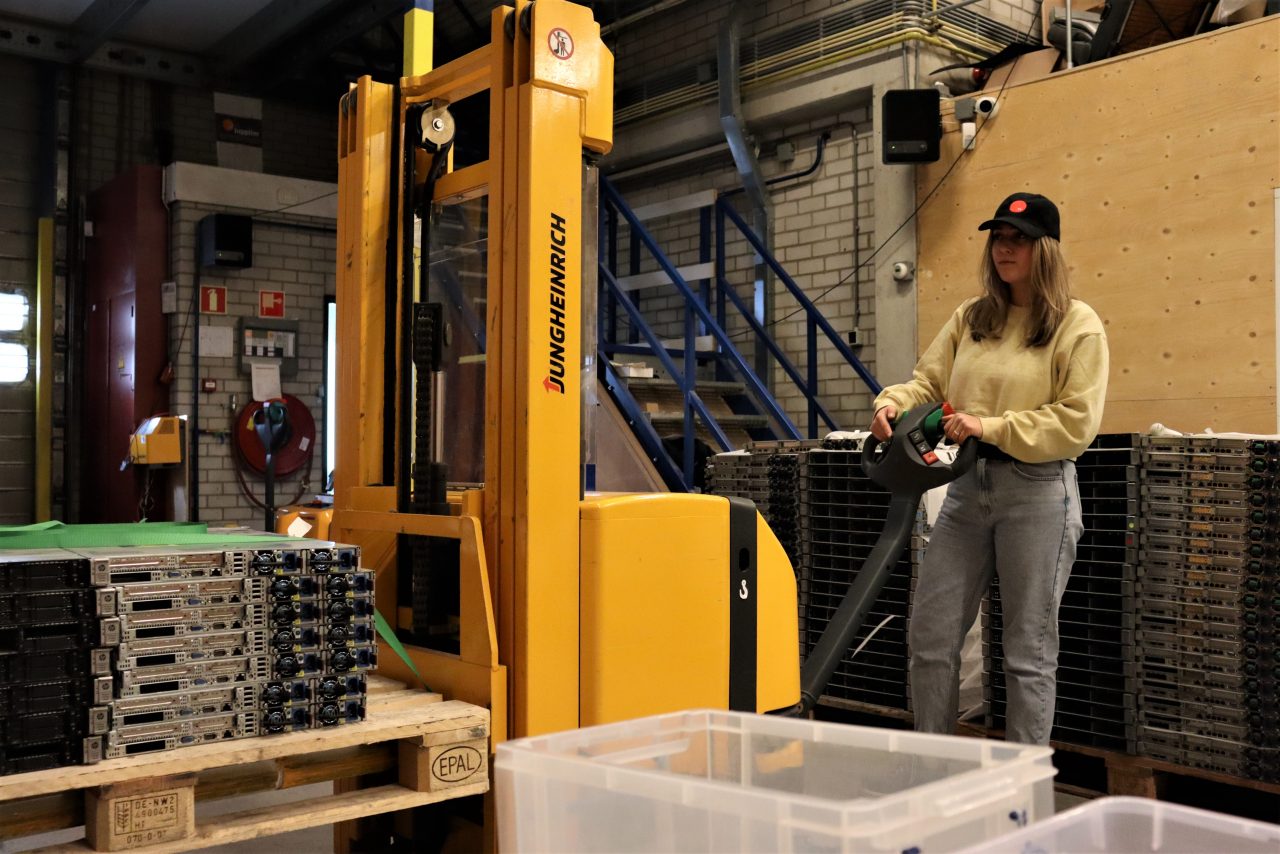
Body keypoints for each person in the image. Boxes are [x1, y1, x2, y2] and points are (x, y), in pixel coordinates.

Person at [868, 192, 1109, 745]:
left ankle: (1023, 786)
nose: (1004, 248)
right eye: (998, 238)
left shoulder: (1078, 325)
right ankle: (933, 765)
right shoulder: (972, 318)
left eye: (1018, 239)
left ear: (1043, 249)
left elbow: (1075, 422)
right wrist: (890, 404)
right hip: (964, 489)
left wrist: (989, 426)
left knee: (1028, 651)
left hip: (1038, 493)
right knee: (930, 637)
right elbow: (926, 383)